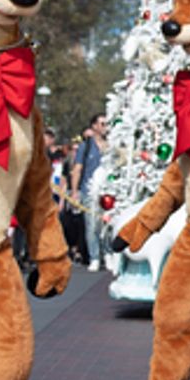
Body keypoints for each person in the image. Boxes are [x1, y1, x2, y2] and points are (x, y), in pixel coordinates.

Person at [70, 114, 109, 269]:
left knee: (107, 225)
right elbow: (77, 169)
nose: (105, 127)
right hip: (89, 190)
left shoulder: (112, 145)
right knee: (92, 224)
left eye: (107, 123)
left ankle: (108, 254)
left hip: (108, 191)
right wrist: (74, 191)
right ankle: (94, 256)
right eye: (102, 124)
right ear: (94, 126)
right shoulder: (85, 146)